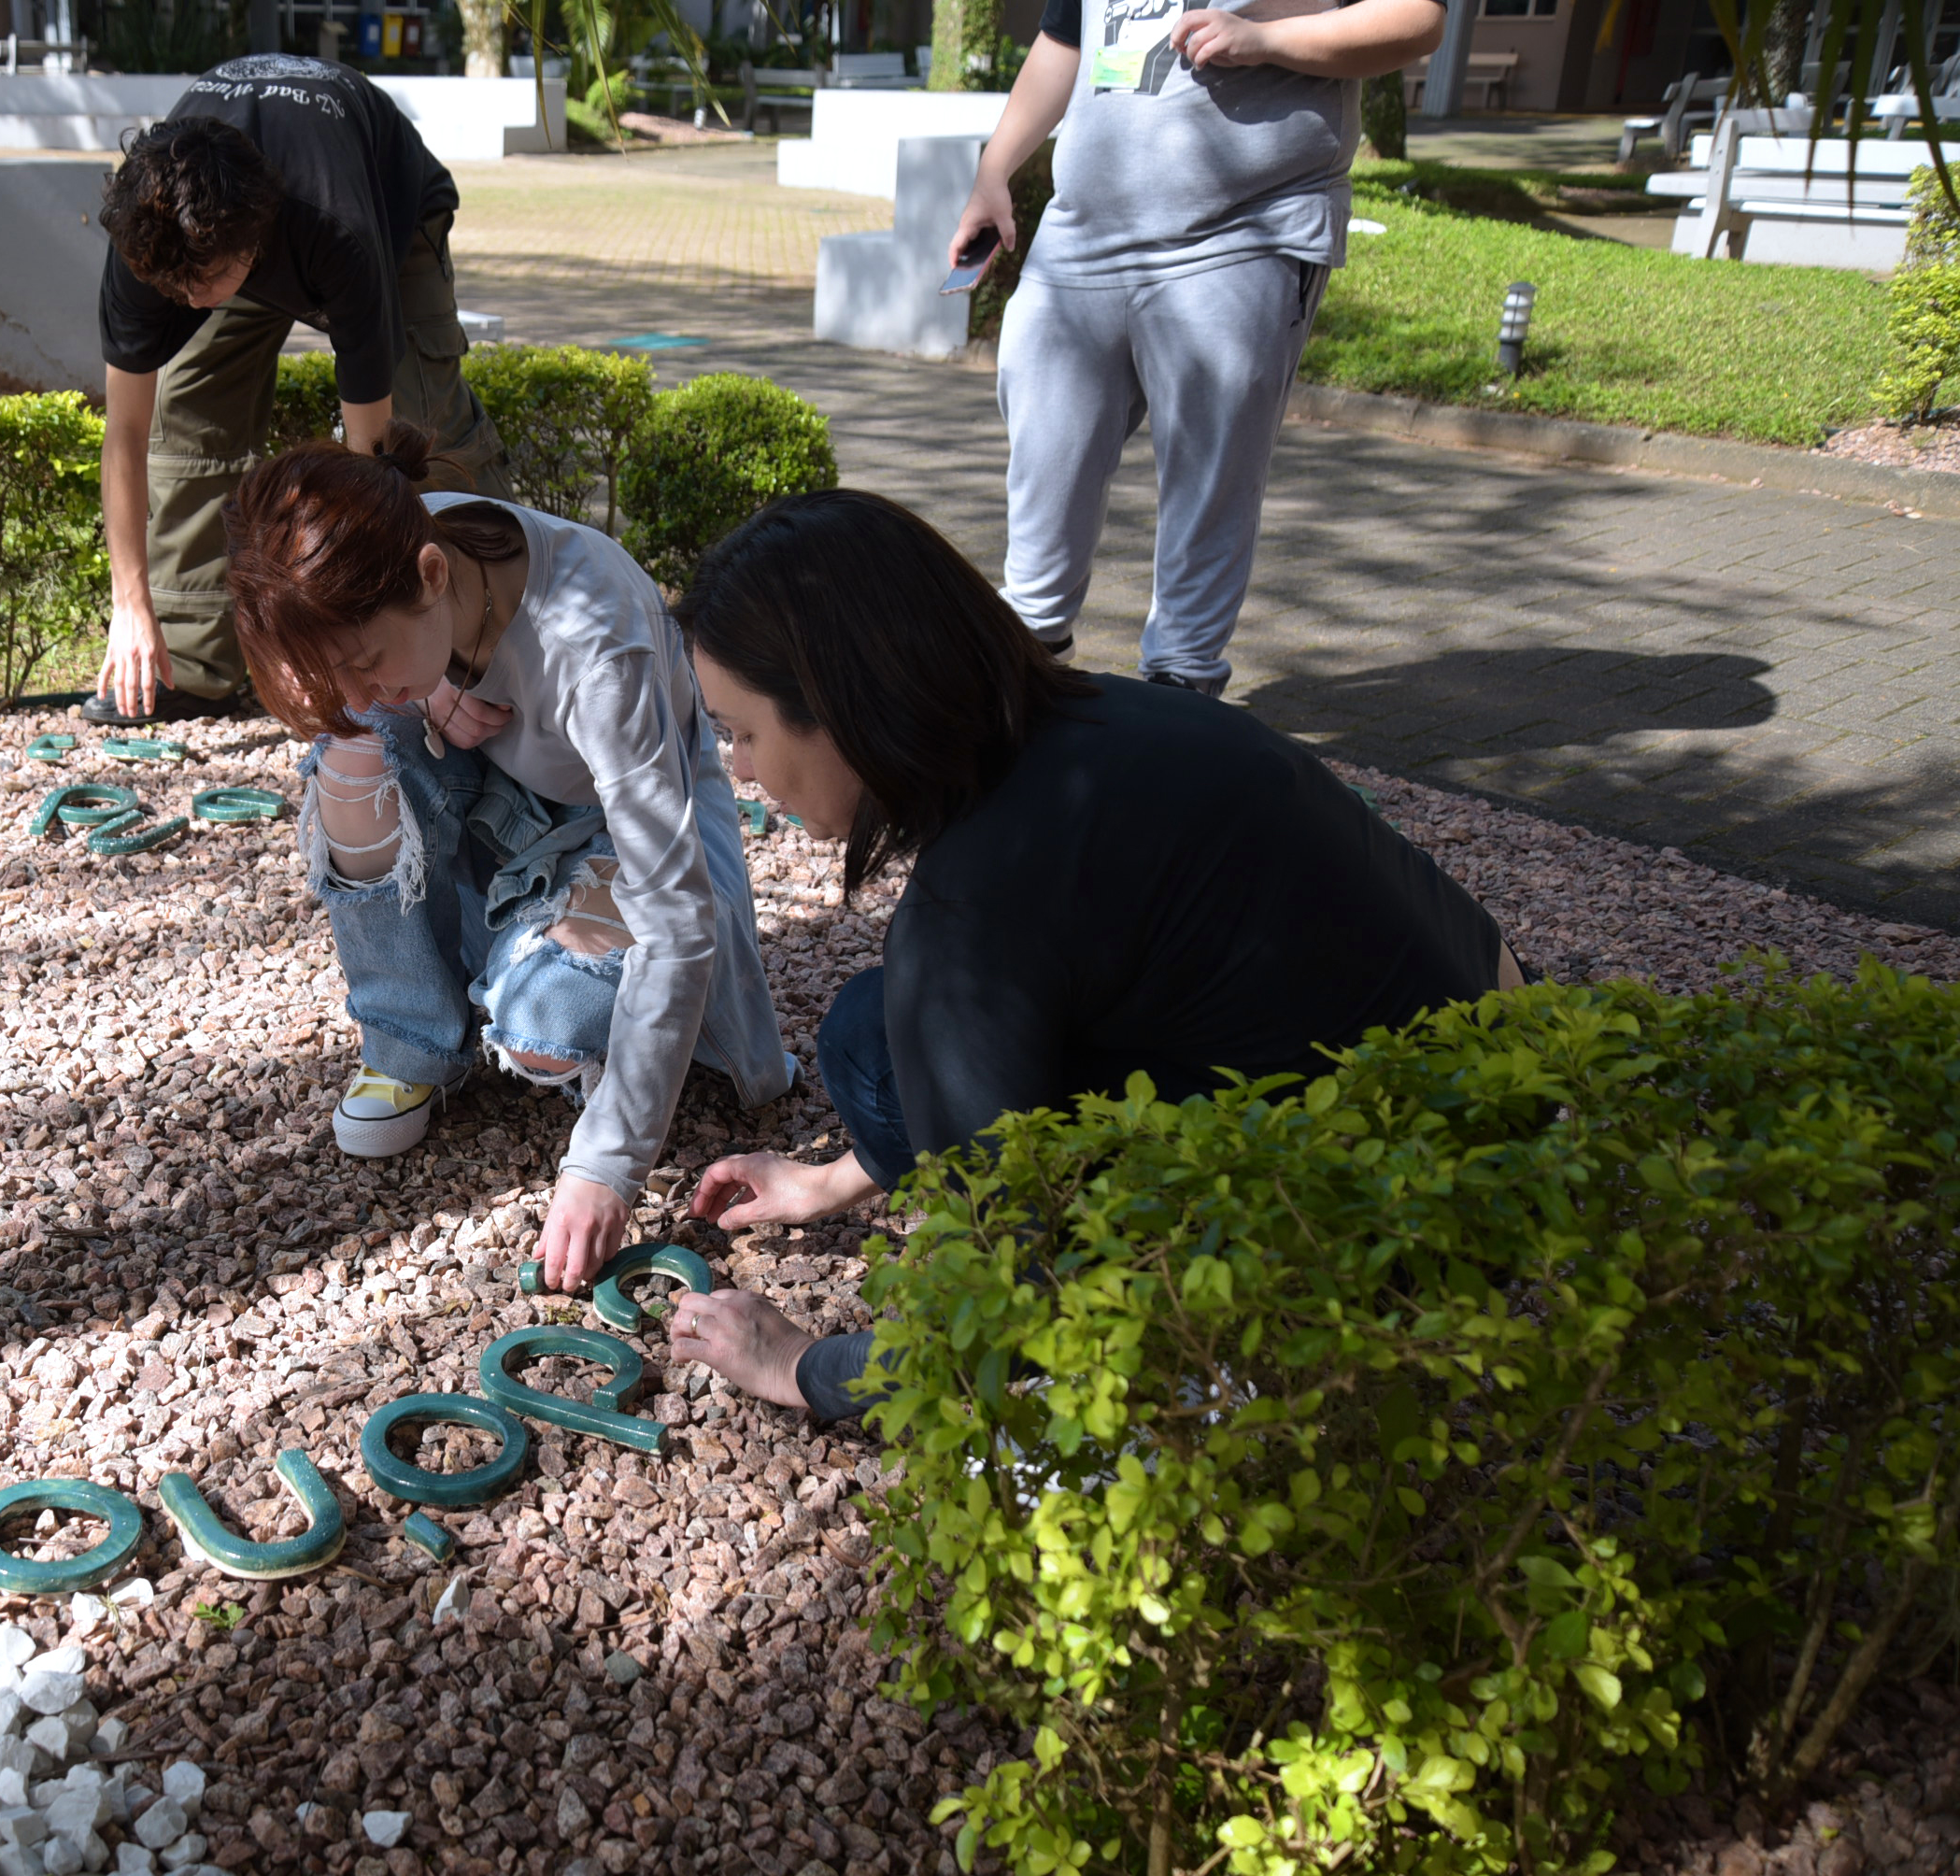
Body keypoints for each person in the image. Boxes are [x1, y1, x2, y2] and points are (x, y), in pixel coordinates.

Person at [659, 490, 1525, 1419]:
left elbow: (997, 1315)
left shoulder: (969, 919)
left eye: (740, 729)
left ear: (838, 705)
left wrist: (796, 1364)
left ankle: (1206, 1371)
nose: (738, 769)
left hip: (1383, 1250)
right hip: (1510, 1132)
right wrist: (831, 1180)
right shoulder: (1111, 721)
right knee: (875, 1037)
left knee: (892, 1031)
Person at [222, 424, 793, 1284]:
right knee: (355, 754)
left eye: (368, 662)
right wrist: (430, 685)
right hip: (498, 801)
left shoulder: (599, 649)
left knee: (544, 1025)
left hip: (608, 832)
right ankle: (412, 1039)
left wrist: (607, 1163)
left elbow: (677, 921)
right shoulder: (401, 548)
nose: (357, 694)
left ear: (432, 575)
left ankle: (515, 975)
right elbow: (391, 679)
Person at [950, 0, 1444, 696]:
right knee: (1046, 453)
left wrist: (1267, 39)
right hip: (1082, 234)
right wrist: (994, 168)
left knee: (1212, 473)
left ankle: (1180, 687)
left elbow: (1415, 20)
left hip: (1242, 231)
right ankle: (1026, 653)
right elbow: (1065, 37)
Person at [90, 53, 511, 729]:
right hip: (226, 229)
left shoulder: (337, 231)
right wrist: (128, 601)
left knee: (422, 430)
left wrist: (414, 667)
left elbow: (370, 464)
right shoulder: (153, 235)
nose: (187, 304)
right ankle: (192, 666)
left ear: (252, 250)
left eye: (201, 288)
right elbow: (127, 434)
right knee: (187, 414)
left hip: (392, 213)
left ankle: (482, 654)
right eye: (174, 291)